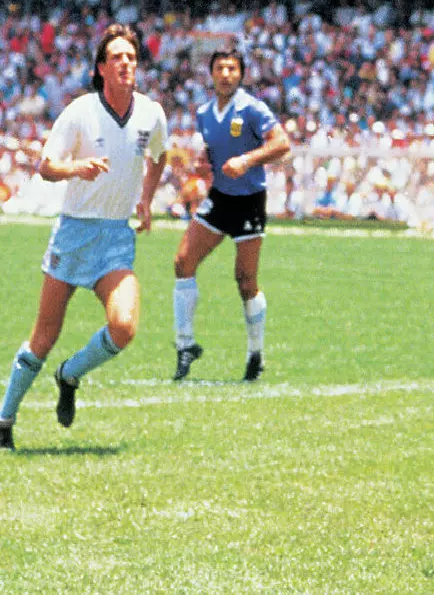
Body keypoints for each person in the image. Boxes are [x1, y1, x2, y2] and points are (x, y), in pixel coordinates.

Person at [0, 25, 168, 451]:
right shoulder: (80, 111)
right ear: (101, 67)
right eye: (117, 57)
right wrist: (78, 168)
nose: (126, 63)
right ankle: (4, 420)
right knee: (44, 336)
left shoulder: (151, 114)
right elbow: (45, 166)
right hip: (74, 232)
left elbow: (160, 155)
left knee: (124, 326)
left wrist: (146, 200)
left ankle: (70, 374)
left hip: (115, 237)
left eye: (131, 57)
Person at [171, 49, 291, 382]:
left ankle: (256, 354)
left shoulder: (253, 108)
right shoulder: (205, 113)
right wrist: (202, 165)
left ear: (240, 74)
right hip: (220, 198)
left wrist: (247, 161)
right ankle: (185, 345)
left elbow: (283, 145)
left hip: (250, 201)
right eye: (220, 68)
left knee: (245, 281)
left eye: (232, 68)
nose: (226, 74)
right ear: (211, 74)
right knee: (183, 262)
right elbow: (209, 156)